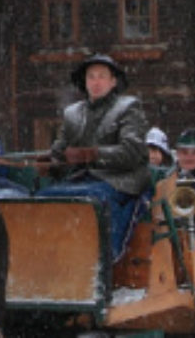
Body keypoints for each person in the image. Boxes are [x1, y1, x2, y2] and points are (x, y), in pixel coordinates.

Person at [37, 54, 150, 264]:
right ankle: (51, 259)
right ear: (85, 81)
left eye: (101, 77)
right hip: (83, 178)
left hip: (120, 181)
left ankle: (99, 263)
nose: (96, 82)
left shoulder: (128, 108)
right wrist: (51, 164)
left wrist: (91, 154)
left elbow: (133, 153)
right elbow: (60, 150)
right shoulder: (73, 113)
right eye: (91, 77)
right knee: (45, 197)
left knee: (92, 200)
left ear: (113, 81)